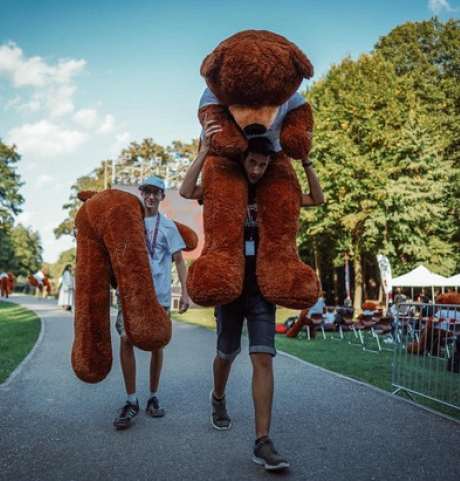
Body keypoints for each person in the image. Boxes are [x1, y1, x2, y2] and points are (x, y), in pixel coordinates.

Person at [180, 121, 324, 471]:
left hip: (262, 283)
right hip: (230, 281)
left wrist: (305, 161)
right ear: (243, 160)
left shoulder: (275, 193)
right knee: (227, 353)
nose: (257, 170)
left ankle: (263, 441)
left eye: (263, 164)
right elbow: (186, 192)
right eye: (253, 163)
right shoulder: (223, 187)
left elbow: (316, 199)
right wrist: (202, 153)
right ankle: (218, 397)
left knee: (263, 356)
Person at [113, 175, 190, 429]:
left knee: (158, 344)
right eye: (147, 192)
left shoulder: (168, 226)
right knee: (126, 339)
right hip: (131, 294)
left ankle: (153, 397)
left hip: (159, 296)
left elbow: (179, 260)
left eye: (157, 193)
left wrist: (186, 293)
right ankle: (131, 399)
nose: (151, 197)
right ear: (141, 193)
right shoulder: (128, 224)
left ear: (162, 197)